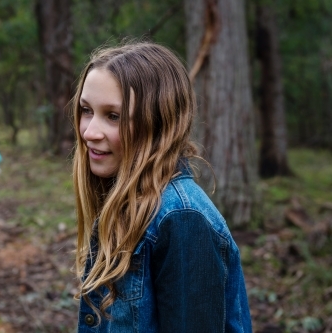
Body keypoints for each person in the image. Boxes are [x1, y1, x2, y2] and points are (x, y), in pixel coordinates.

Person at [72, 42, 252, 332]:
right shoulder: (128, 203)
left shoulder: (181, 220)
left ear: (157, 123)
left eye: (113, 116)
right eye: (86, 110)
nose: (89, 132)